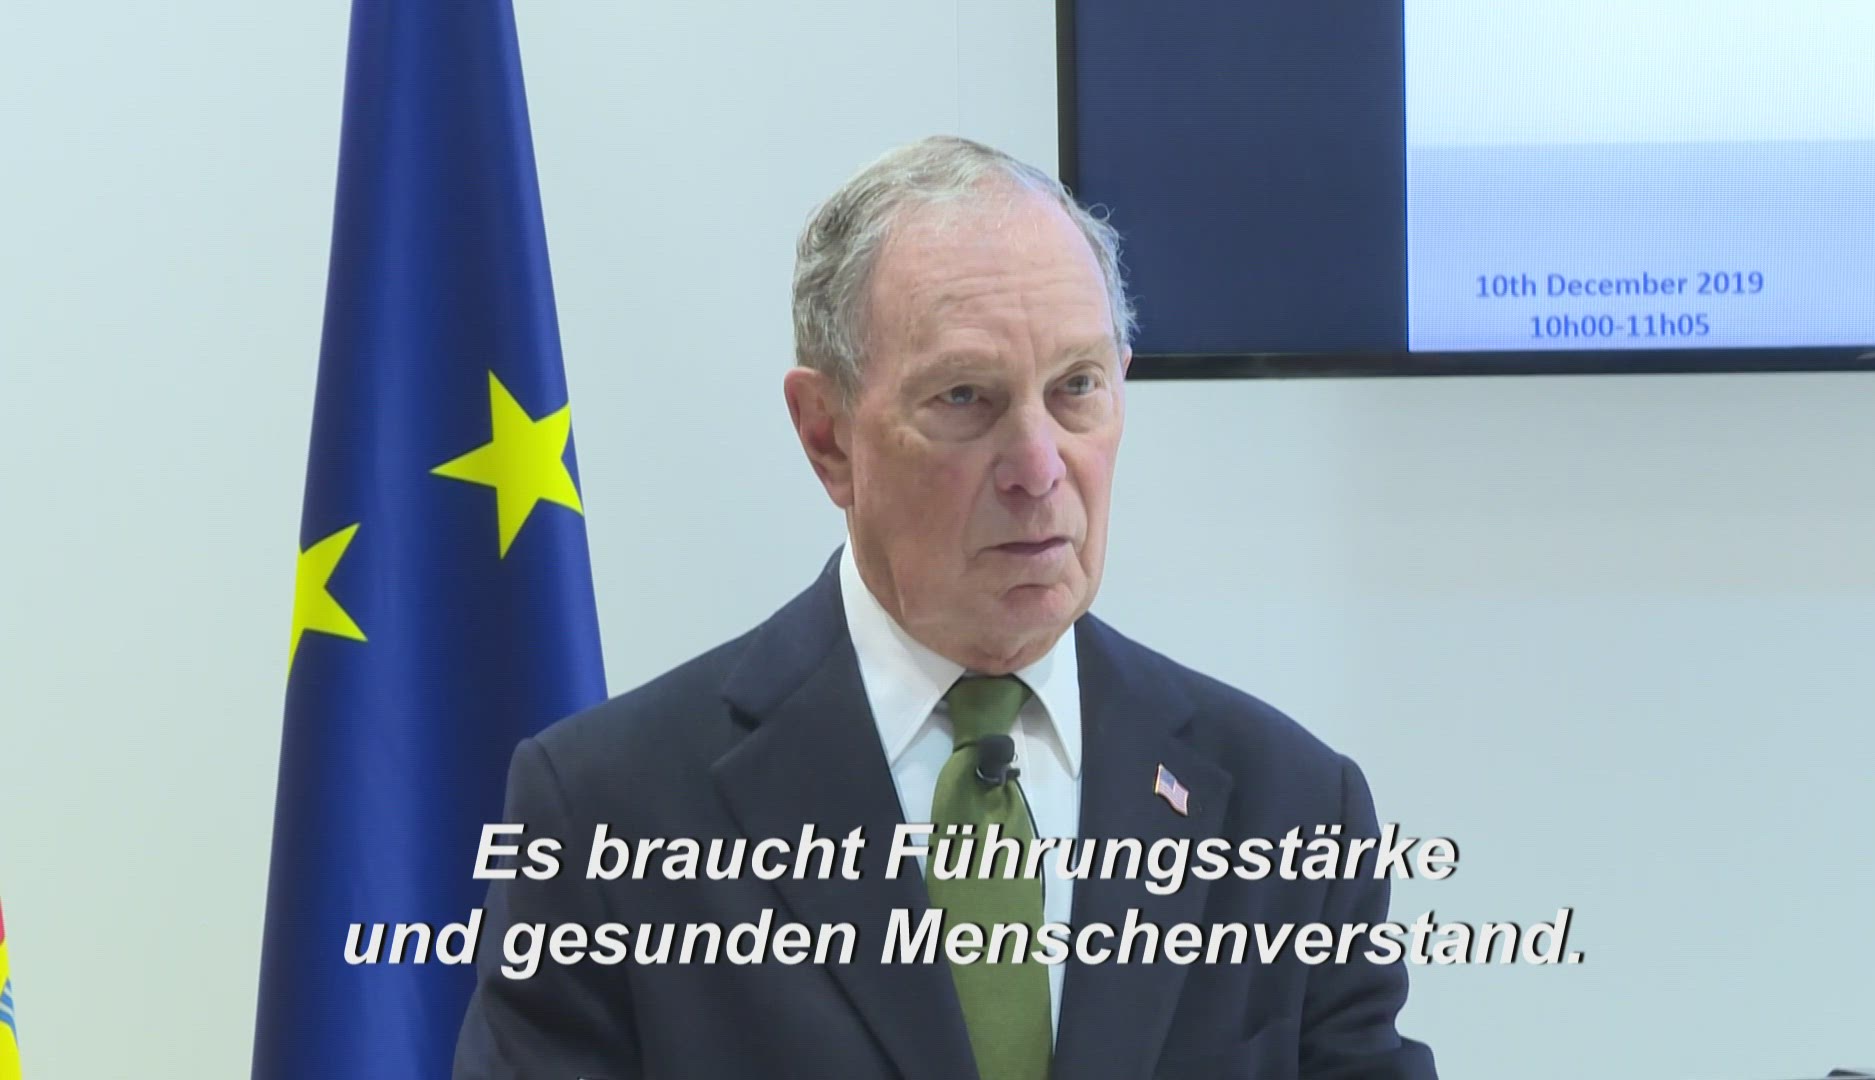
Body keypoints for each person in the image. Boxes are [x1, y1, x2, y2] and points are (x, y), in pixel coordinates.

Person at [453, 135, 1438, 1080]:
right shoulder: (607, 811)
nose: (1039, 467)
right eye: (966, 397)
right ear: (828, 436)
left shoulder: (1291, 805)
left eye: (1077, 388)